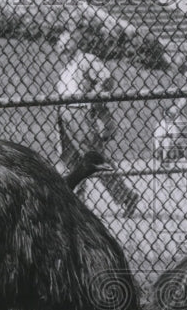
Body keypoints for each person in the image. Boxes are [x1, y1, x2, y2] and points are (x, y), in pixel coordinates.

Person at [56, 25, 139, 217]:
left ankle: (126, 196)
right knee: (70, 161)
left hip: (79, 113)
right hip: (65, 114)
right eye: (59, 42)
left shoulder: (86, 60)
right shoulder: (67, 66)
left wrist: (91, 100)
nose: (60, 45)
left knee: (93, 159)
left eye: (64, 41)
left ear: (73, 42)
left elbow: (107, 79)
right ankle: (77, 202)